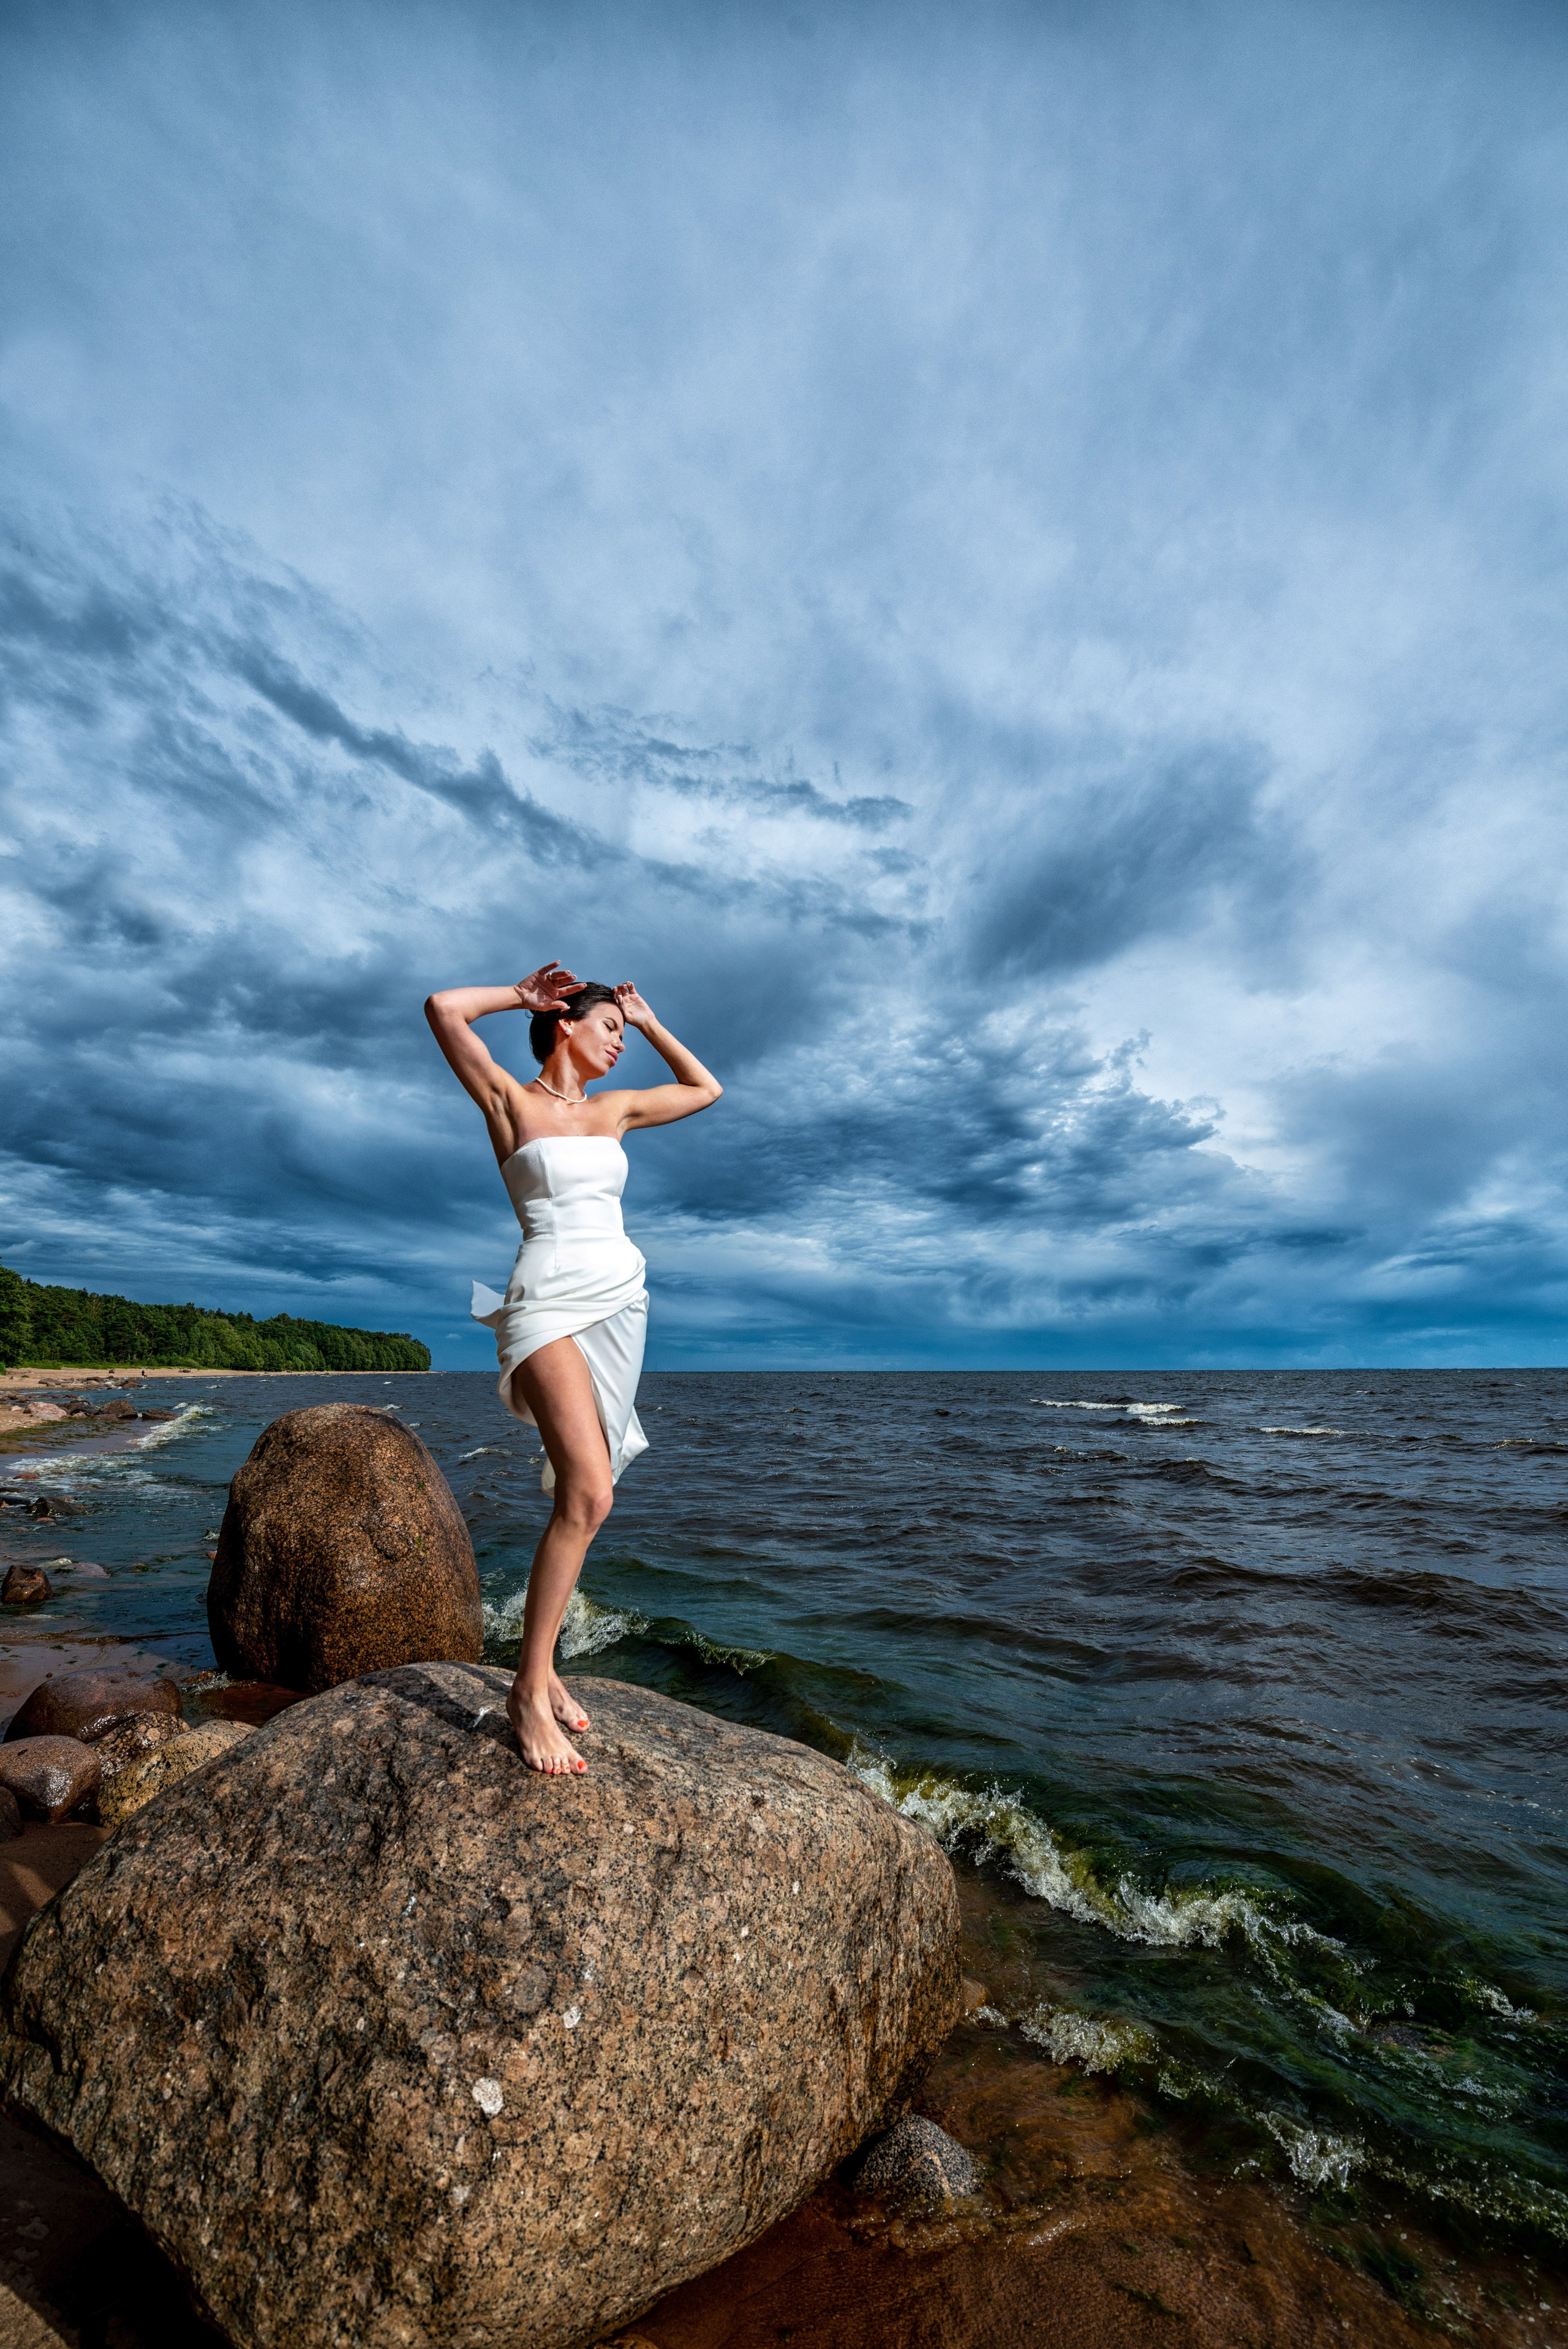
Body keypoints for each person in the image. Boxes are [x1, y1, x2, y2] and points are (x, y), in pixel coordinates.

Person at [424, 963, 721, 1775]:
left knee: (589, 1498)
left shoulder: (614, 1110)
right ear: (566, 1025)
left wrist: (651, 1021)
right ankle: (526, 1693)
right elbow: (443, 1009)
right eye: (610, 1028)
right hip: (546, 1301)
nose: (621, 1044)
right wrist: (517, 997)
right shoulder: (509, 1102)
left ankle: (544, 1669)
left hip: (619, 1301)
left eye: (626, 1035)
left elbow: (706, 1089)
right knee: (588, 1490)